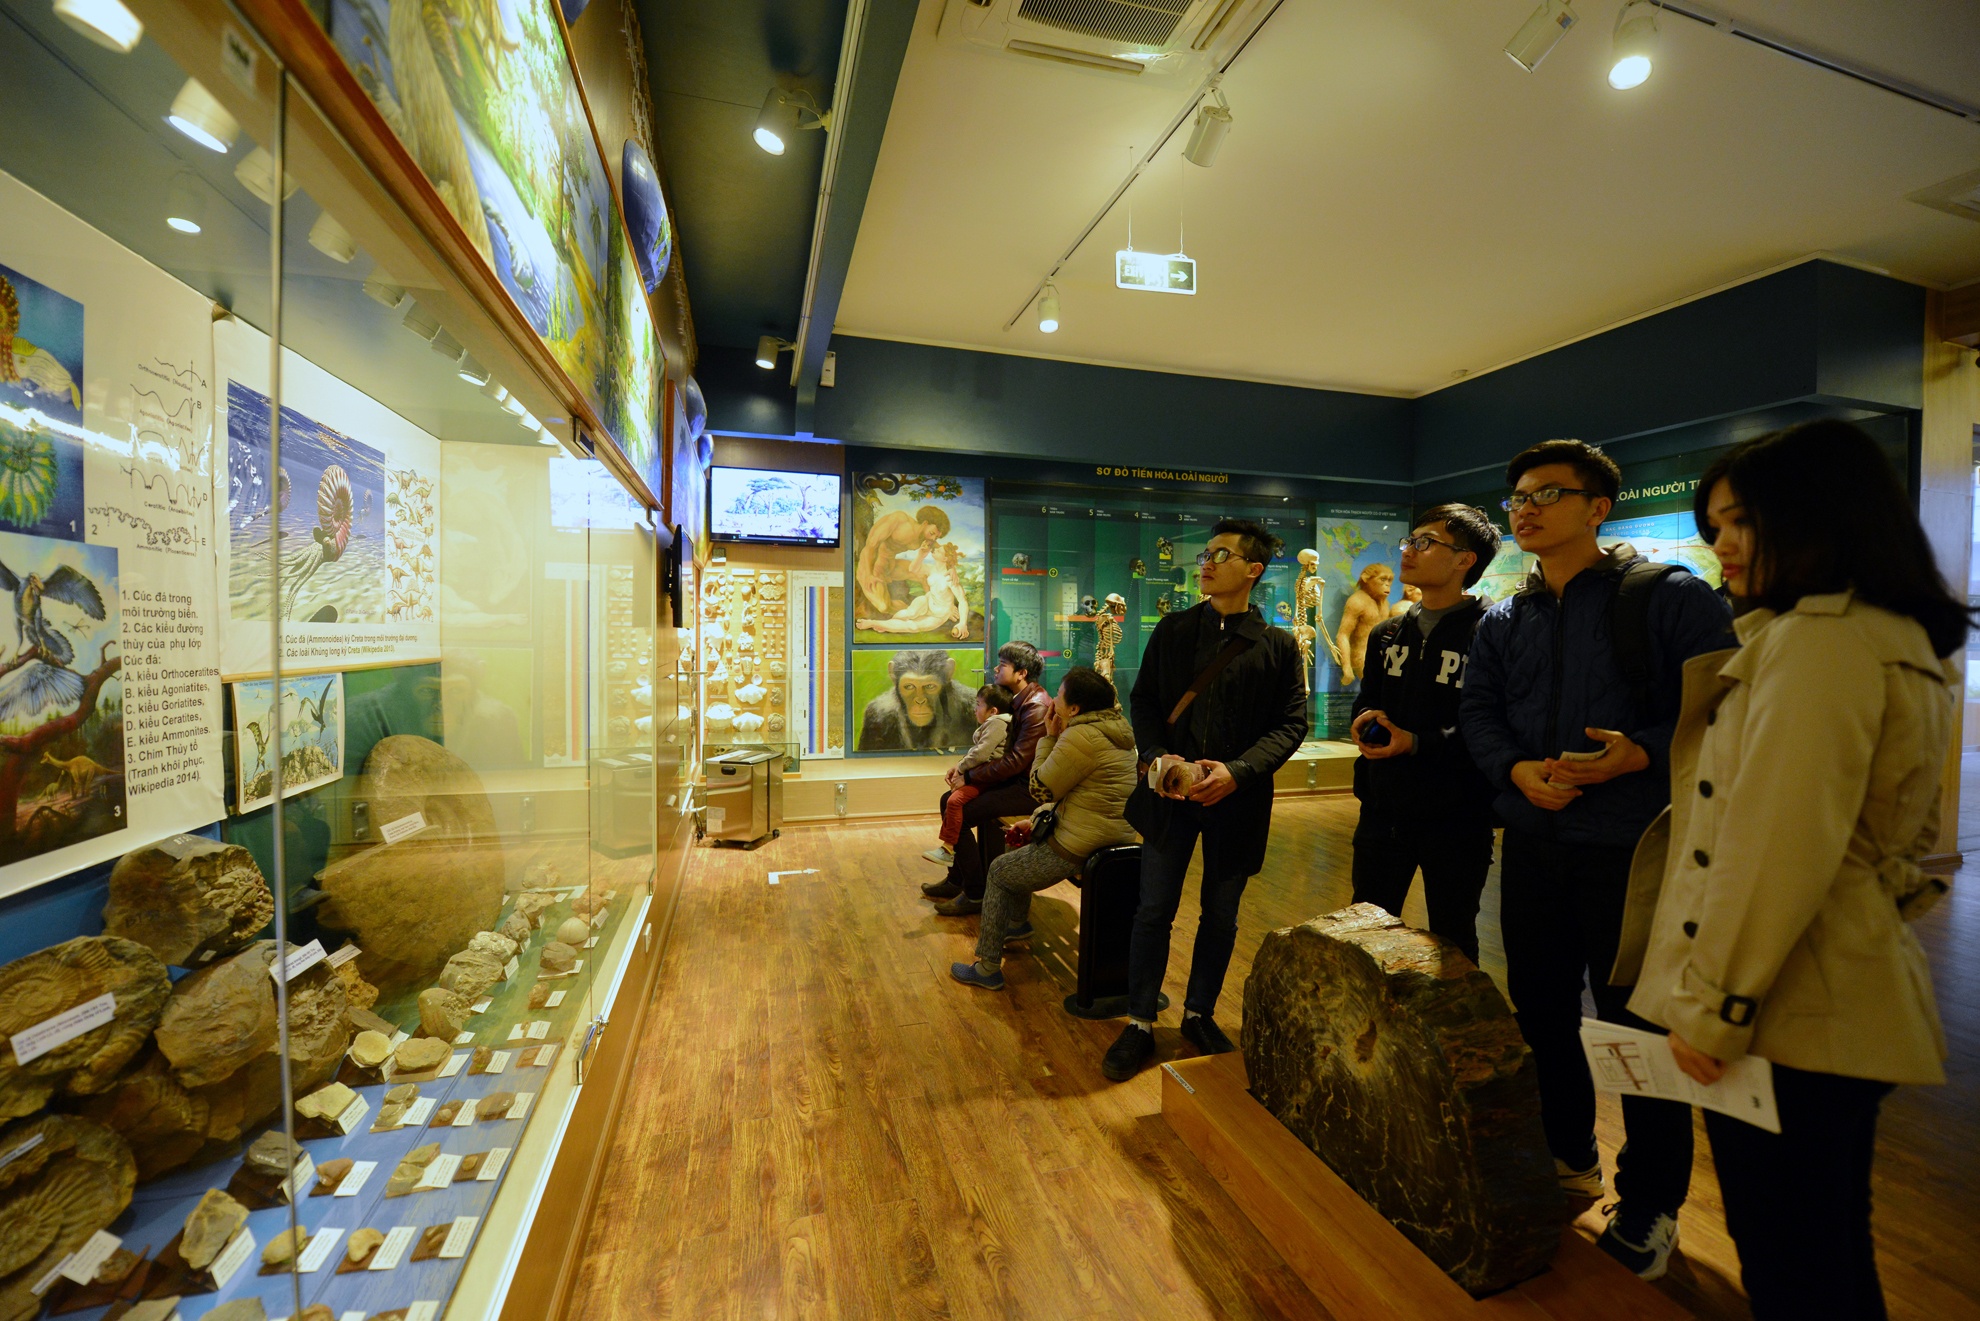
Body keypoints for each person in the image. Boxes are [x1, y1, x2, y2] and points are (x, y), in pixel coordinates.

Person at [1614, 421, 1958, 1319]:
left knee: (1792, 1267)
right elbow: (1905, 839)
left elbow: (1771, 846)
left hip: (1788, 1008)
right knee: (1826, 1251)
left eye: (1741, 520)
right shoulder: (1895, 636)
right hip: (1844, 982)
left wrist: (1714, 1007)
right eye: (1715, 524)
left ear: (1817, 516)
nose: (1720, 543)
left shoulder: (1817, 642)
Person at [1459, 439, 1736, 1279]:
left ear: (1597, 507)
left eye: (1548, 492)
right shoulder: (1505, 615)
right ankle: (1566, 1154)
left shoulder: (1668, 596)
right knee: (1540, 1010)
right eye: (1517, 496)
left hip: (1635, 847)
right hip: (1535, 842)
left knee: (1636, 1026)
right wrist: (1515, 770)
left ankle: (1651, 1200)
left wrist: (1639, 752)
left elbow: (1722, 710)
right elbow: (1479, 711)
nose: (1526, 508)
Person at [1110, 519, 1308, 1082]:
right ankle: (1140, 1020)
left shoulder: (1277, 645)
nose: (1207, 563)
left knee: (1221, 915)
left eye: (1221, 555)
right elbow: (1145, 701)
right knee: (1153, 909)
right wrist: (1157, 755)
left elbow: (1291, 723)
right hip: (1169, 797)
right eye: (1206, 554)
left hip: (1236, 801)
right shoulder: (1173, 630)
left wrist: (1238, 772)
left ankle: (1199, 1013)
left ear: (1253, 569)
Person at [1349, 504, 1502, 963]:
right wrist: (1365, 719)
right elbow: (1369, 697)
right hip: (1384, 809)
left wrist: (1417, 742)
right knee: (1366, 934)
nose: (1409, 551)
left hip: (1458, 816)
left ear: (1464, 560)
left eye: (1425, 543)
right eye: (1410, 541)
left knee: (1453, 941)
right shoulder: (1388, 632)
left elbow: (1492, 723)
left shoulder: (1492, 632)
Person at [950, 666, 1137, 989]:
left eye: (1060, 695)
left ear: (1074, 708)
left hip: (1081, 844)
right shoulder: (1116, 729)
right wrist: (1036, 819)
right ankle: (1017, 922)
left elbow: (1040, 789)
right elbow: (1084, 796)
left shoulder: (1080, 736)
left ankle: (987, 967)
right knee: (1016, 839)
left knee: (999, 871)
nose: (1054, 700)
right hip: (1107, 833)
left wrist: (1049, 737)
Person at [924, 641, 1052, 914]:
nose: (996, 669)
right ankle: (957, 880)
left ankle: (975, 893)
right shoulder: (1018, 699)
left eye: (1003, 664)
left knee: (960, 812)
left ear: (1022, 673)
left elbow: (1016, 762)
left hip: (1027, 789)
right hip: (1013, 781)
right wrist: (966, 772)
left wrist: (969, 776)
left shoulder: (1036, 707)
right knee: (948, 800)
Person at [921, 684, 1013, 866]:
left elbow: (981, 753)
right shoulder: (997, 723)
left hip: (987, 778)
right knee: (951, 798)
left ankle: (948, 848)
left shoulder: (996, 723)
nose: (974, 709)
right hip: (983, 774)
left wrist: (961, 768)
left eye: (978, 704)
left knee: (954, 801)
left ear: (993, 711)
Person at [856, 505, 949, 616]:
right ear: (925, 523)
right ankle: (915, 611)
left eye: (936, 537)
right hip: (873, 566)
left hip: (891, 566)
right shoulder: (899, 520)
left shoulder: (926, 537)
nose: (933, 539)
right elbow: (871, 545)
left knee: (925, 575)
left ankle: (933, 606)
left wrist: (952, 569)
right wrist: (869, 575)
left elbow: (944, 553)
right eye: (932, 533)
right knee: (883, 606)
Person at [1334, 562, 1394, 684]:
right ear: (1366, 579)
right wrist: (1347, 667)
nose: (1387, 584)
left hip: (1383, 656)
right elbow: (1343, 635)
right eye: (1383, 579)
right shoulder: (1357, 601)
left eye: (1389, 580)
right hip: (1362, 657)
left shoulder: (1384, 603)